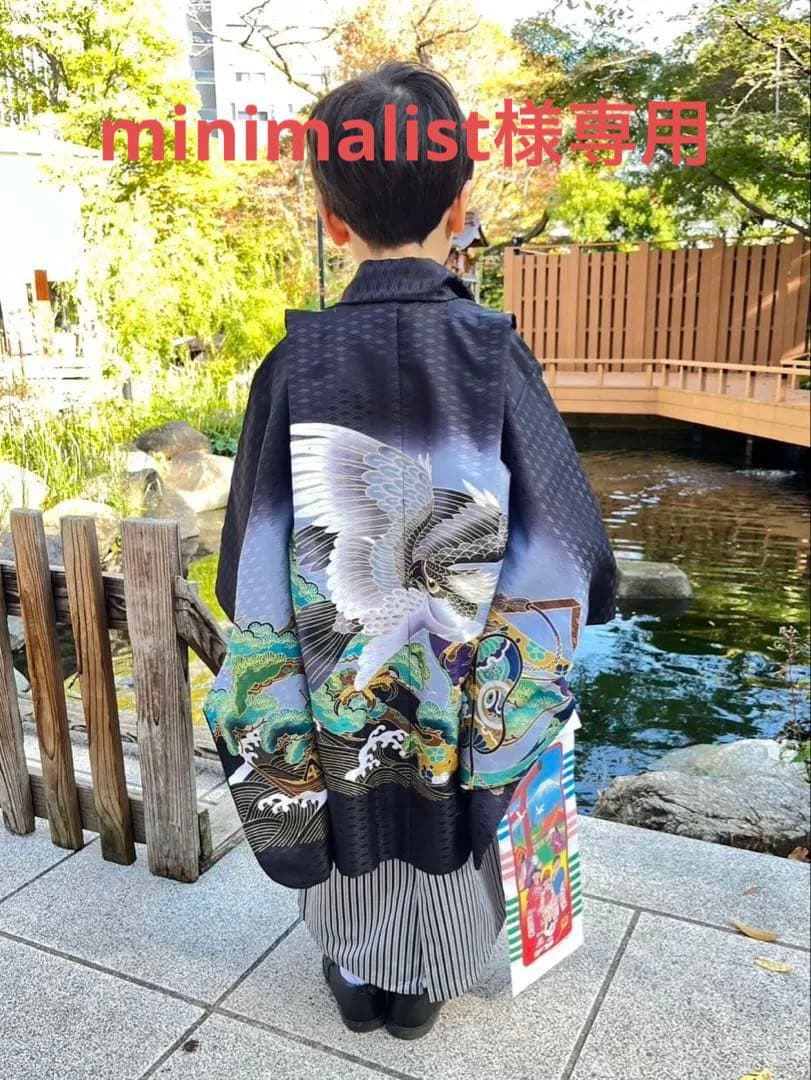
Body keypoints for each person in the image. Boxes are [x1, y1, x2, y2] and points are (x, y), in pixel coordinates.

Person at [204, 60, 616, 1040]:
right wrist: (526, 641)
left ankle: (354, 972)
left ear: (331, 217)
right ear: (461, 203)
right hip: (458, 675)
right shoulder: (491, 352)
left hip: (333, 671)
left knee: (349, 805)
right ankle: (422, 986)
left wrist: (282, 657)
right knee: (447, 813)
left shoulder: (292, 364)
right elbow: (565, 549)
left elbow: (250, 554)